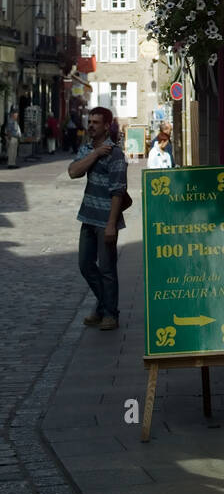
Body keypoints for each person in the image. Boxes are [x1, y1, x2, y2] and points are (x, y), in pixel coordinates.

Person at [68, 106, 128, 332]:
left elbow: (118, 192)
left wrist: (112, 224)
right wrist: (94, 154)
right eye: (89, 121)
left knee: (107, 269)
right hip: (88, 217)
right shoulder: (88, 148)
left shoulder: (115, 154)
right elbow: (73, 172)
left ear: (106, 126)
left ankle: (110, 314)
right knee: (85, 264)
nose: (91, 125)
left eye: (95, 122)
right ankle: (104, 306)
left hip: (106, 220)